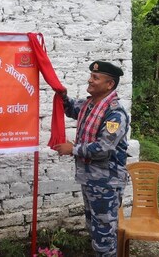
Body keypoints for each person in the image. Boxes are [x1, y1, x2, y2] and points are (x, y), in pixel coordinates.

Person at [53, 61, 130, 257]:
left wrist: (73, 149)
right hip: (90, 180)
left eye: (95, 77)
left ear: (109, 84)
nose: (90, 79)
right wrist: (61, 94)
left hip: (106, 183)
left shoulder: (114, 113)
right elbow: (70, 109)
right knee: (94, 228)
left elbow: (103, 148)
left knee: (104, 234)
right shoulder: (89, 105)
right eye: (91, 75)